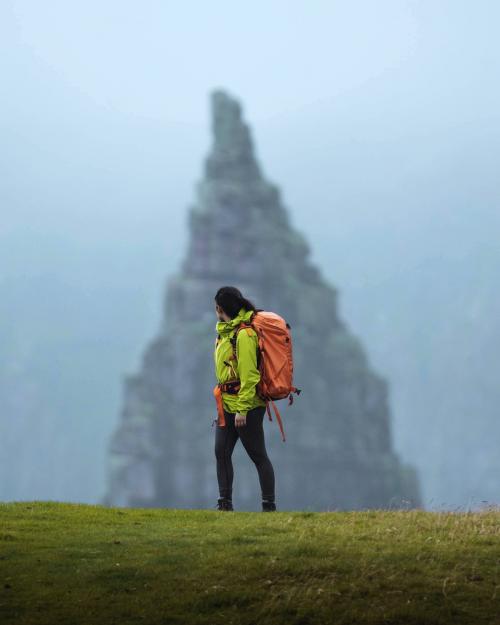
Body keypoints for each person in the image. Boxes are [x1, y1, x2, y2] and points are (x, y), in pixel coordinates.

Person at [213, 286, 276, 512]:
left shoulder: (244, 335)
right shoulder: (225, 332)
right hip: (227, 403)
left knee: (258, 455)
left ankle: (269, 505)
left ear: (220, 308)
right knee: (221, 451)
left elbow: (250, 376)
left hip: (246, 406)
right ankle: (225, 504)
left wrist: (242, 410)